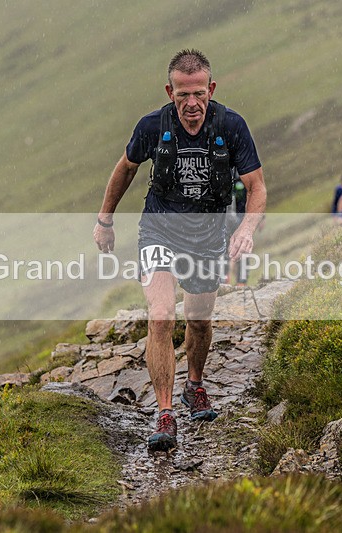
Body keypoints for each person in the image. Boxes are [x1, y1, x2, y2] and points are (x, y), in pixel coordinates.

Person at [93, 49, 266, 452]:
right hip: (159, 231)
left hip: (207, 236)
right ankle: (165, 413)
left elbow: (256, 186)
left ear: (211, 89)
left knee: (199, 321)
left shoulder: (231, 126)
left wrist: (246, 229)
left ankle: (195, 385)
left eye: (199, 94)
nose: (191, 103)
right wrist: (105, 220)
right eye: (183, 94)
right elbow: (126, 168)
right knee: (160, 317)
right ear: (170, 92)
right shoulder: (153, 126)